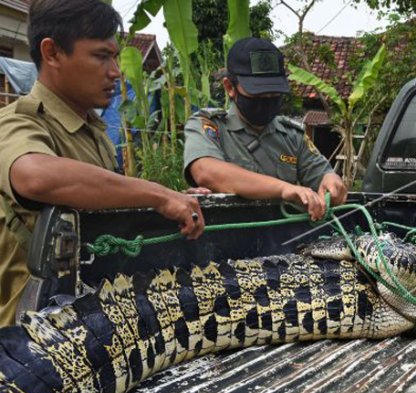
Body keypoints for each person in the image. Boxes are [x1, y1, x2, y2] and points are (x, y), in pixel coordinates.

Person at [0, 0, 207, 326]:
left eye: (114, 56)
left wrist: (178, 199)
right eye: (100, 56)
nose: (115, 71)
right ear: (52, 53)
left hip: (90, 323)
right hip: (28, 341)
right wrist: (159, 195)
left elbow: (107, 207)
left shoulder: (95, 134)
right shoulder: (16, 122)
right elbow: (35, 176)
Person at [183, 37, 347, 221]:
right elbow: (206, 171)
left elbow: (323, 174)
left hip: (282, 240)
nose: (267, 99)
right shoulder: (210, 125)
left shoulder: (292, 136)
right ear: (230, 87)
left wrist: (331, 182)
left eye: (274, 93)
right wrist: (285, 189)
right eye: (258, 93)